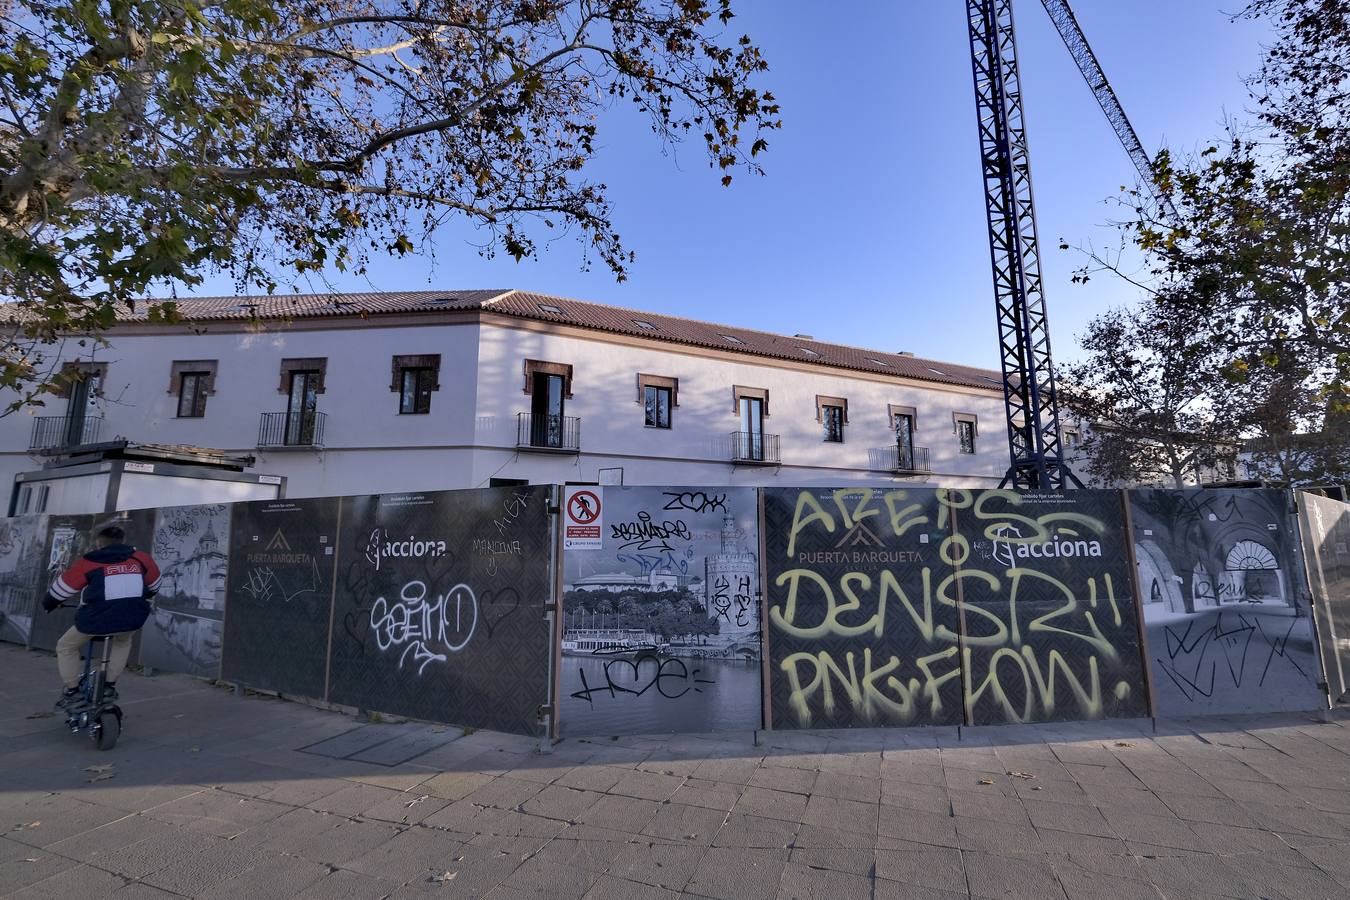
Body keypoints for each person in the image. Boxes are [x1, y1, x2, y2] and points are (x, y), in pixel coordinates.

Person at [42, 524, 160, 707]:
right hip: (132, 618)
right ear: (122, 541)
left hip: (95, 620)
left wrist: (48, 604)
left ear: (99, 542)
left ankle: (73, 692)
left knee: (66, 646)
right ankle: (109, 686)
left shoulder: (89, 561)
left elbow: (60, 591)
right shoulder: (142, 559)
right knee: (123, 641)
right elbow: (154, 586)